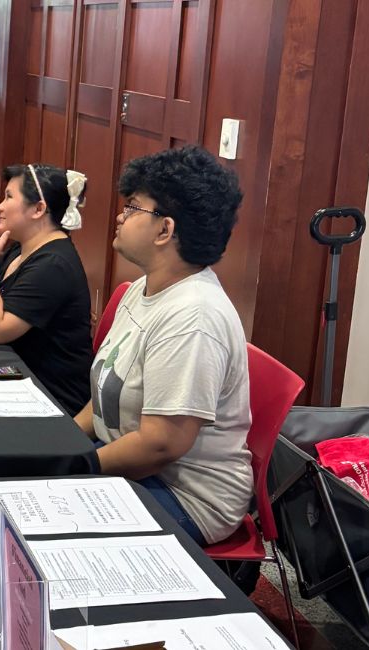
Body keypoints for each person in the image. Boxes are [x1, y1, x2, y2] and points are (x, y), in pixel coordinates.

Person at [74, 145, 250, 548]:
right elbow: (104, 395)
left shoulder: (194, 317)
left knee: (40, 516)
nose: (121, 215)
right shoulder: (142, 289)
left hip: (187, 495)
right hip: (126, 459)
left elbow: (160, 444)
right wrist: (60, 445)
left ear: (165, 230)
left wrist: (72, 466)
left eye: (134, 207)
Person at [0, 164, 93, 413]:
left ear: (39, 209)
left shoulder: (54, 264)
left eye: (8, 197)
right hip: (19, 379)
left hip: (50, 398)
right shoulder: (22, 247)